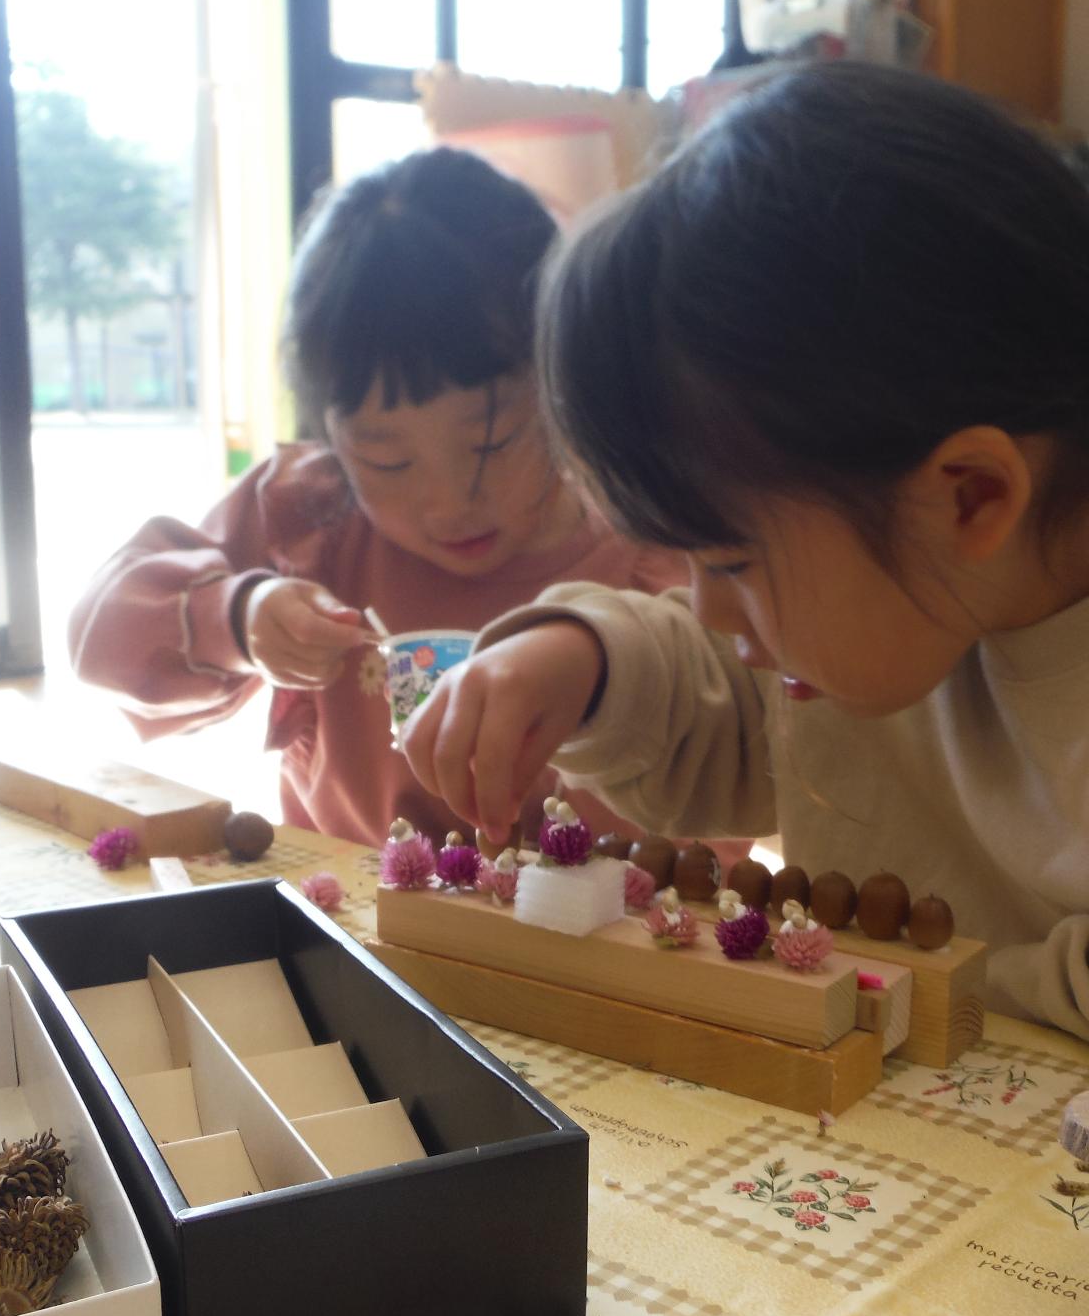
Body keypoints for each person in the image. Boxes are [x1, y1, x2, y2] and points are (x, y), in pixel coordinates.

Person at [398, 63, 1089, 1074]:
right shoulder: (903, 602)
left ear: (968, 495)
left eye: (728, 558)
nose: (713, 612)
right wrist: (577, 660)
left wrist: (1029, 980)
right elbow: (720, 713)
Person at [69, 147, 684, 847]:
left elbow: (733, 765)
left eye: (491, 444)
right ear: (329, 434)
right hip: (352, 936)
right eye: (386, 459)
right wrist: (238, 619)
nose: (448, 503)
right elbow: (100, 640)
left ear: (564, 383)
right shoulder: (308, 520)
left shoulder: (649, 542)